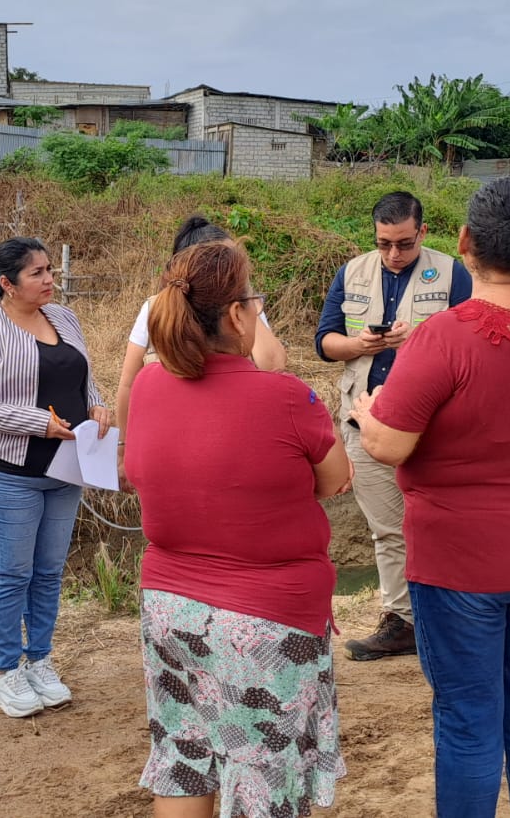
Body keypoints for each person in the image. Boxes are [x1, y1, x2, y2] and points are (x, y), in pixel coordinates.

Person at [351, 177, 510, 817]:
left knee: (469, 718)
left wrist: (367, 412)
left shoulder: (446, 335)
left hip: (460, 558)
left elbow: (389, 444)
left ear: (465, 241)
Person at [128, 239, 352, 818]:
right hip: (266, 622)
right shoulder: (286, 396)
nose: (258, 310)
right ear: (235, 314)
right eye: (255, 301)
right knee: (264, 778)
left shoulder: (149, 385)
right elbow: (334, 480)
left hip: (169, 608)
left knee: (183, 757)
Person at [0, 237, 111, 718]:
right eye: (37, 273)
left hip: (67, 467)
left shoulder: (63, 318)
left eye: (50, 271)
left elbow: (82, 378)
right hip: (7, 470)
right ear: (7, 283)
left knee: (48, 570)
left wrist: (98, 404)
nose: (49, 280)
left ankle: (39, 659)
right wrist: (37, 423)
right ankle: (6, 671)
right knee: (13, 571)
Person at [314, 191, 472, 661]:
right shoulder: (352, 272)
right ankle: (401, 621)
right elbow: (325, 342)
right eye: (384, 243)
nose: (393, 254)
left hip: (434, 424)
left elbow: (472, 341)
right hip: (365, 419)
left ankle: (452, 618)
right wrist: (358, 345)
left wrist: (418, 339)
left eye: (404, 243)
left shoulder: (453, 274)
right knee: (387, 529)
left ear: (423, 232)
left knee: (443, 524)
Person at [114, 215, 286, 471]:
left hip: (231, 447)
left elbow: (273, 365)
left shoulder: (244, 308)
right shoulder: (155, 309)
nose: (232, 265)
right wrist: (124, 447)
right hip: (172, 450)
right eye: (224, 259)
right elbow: (128, 384)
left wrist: (243, 294)